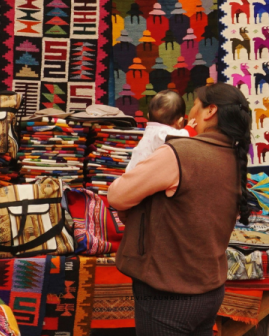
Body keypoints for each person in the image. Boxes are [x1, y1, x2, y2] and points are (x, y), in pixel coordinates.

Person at [107, 83, 254, 336]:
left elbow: (117, 196)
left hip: (168, 294)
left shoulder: (180, 153)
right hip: (210, 289)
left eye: (196, 105)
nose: (191, 114)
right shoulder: (233, 158)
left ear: (210, 112)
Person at [126, 90, 197, 172]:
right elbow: (182, 138)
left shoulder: (150, 129)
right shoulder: (162, 133)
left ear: (148, 116)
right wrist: (190, 129)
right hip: (142, 176)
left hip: (132, 172)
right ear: (180, 122)